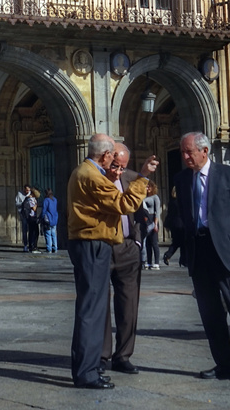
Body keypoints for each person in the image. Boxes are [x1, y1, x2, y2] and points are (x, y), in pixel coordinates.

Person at [66, 133, 157, 390]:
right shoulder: (93, 176)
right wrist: (143, 177)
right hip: (92, 244)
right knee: (92, 310)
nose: (113, 162)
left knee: (93, 309)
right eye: (112, 158)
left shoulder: (83, 171)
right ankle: (86, 372)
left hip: (91, 243)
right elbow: (125, 203)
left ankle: (92, 367)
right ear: (106, 155)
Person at [174, 131, 230, 384]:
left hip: (227, 252)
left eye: (189, 152)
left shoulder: (228, 174)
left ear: (204, 151)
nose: (185, 157)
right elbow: (182, 214)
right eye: (182, 152)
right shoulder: (181, 179)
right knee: (210, 313)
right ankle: (225, 364)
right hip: (199, 253)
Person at [101, 143, 147, 376]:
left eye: (125, 166)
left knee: (128, 305)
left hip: (128, 247)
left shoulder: (133, 178)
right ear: (107, 158)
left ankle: (123, 356)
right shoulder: (95, 178)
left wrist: (137, 242)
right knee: (100, 305)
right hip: (102, 246)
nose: (121, 171)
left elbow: (140, 212)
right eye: (117, 165)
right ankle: (101, 355)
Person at [138, 185, 161, 269]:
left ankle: (157, 262)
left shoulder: (155, 197)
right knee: (147, 243)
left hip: (153, 218)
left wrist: (155, 223)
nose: (148, 188)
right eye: (146, 187)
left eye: (149, 187)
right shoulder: (143, 197)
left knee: (154, 242)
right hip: (145, 219)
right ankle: (149, 261)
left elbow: (157, 211)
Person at [22, 188, 42, 252]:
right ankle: (33, 246)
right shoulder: (30, 199)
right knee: (34, 232)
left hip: (32, 217)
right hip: (31, 217)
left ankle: (33, 246)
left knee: (34, 232)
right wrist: (36, 204)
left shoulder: (31, 199)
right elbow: (34, 208)